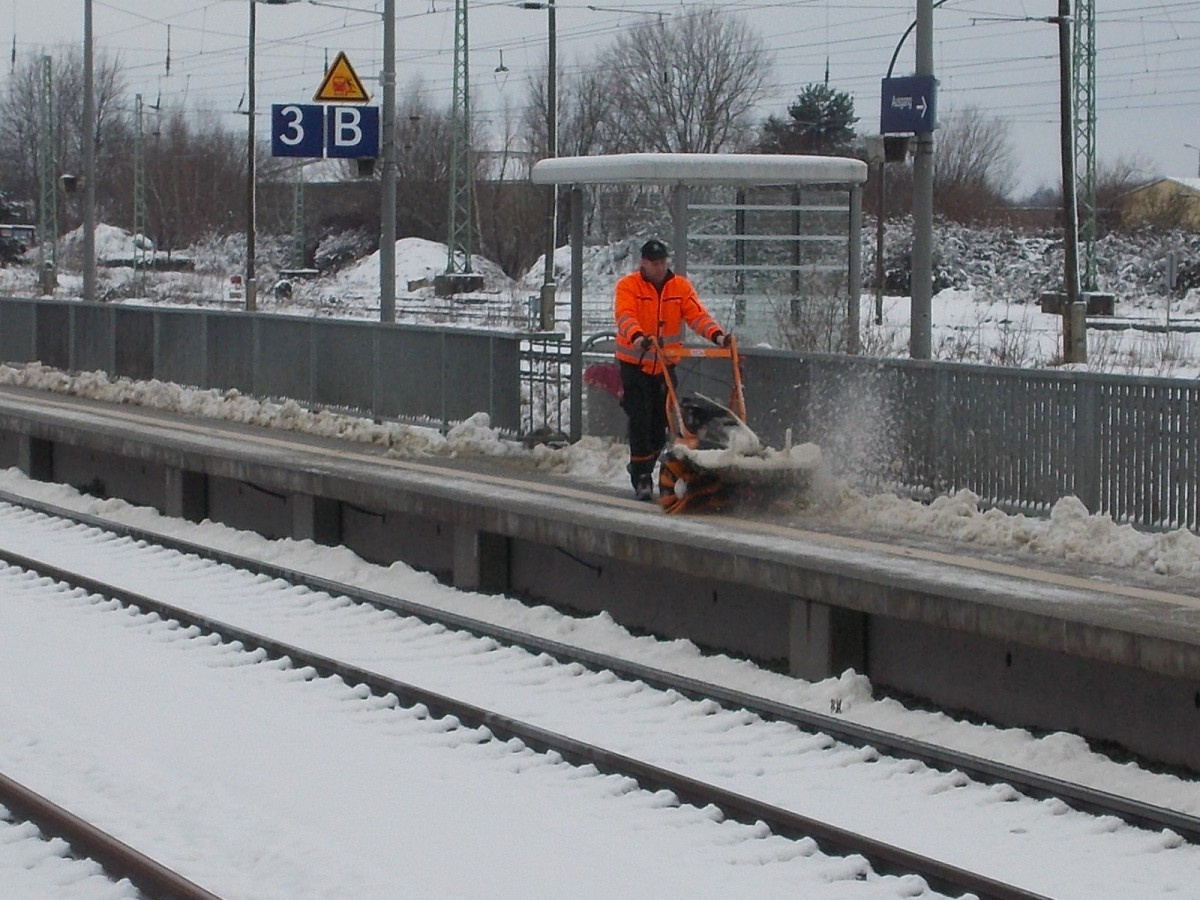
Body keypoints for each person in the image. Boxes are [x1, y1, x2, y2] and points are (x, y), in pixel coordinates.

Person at [613, 238, 731, 501]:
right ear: (643, 263)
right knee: (641, 421)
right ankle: (642, 478)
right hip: (635, 366)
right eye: (654, 263)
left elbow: (697, 315)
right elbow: (624, 315)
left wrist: (718, 337)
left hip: (665, 366)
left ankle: (643, 463)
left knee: (661, 426)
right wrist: (638, 337)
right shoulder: (628, 286)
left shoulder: (679, 287)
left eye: (663, 262)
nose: (660, 267)